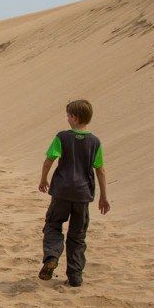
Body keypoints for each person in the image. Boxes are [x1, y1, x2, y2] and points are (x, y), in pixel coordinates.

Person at [38, 99, 110, 287]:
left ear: (75, 118)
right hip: (82, 195)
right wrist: (103, 196)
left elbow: (49, 160)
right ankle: (75, 277)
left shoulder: (62, 137)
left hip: (61, 192)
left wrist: (43, 179)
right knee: (77, 235)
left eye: (69, 115)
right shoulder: (95, 142)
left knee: (53, 225)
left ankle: (52, 256)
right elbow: (100, 170)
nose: (67, 118)